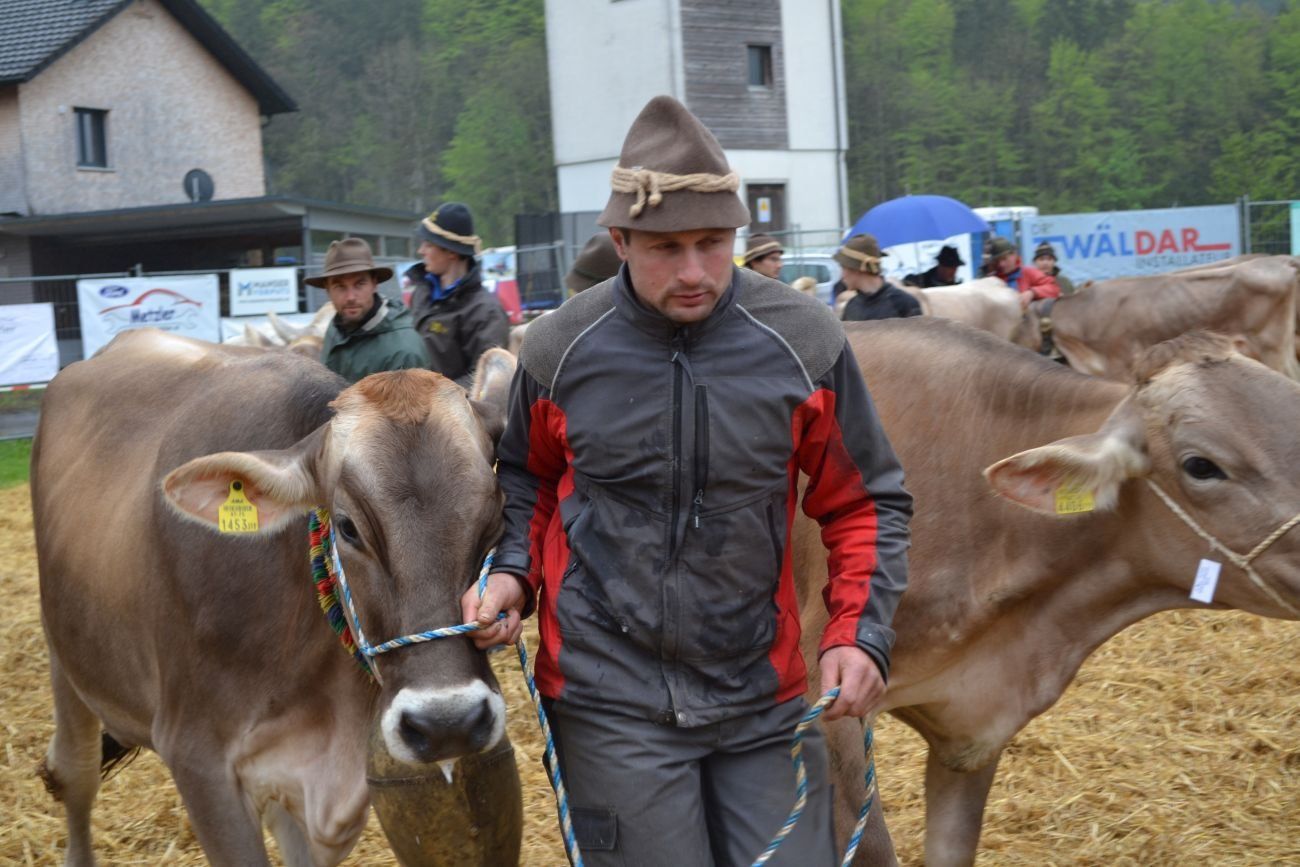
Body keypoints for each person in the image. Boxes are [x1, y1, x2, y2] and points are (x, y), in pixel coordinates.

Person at [462, 95, 912, 866]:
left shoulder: (804, 341)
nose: (696, 270)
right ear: (620, 240)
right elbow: (530, 479)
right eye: (667, 248)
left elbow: (865, 500)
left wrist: (860, 633)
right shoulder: (559, 349)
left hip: (762, 697)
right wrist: (511, 572)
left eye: (713, 242)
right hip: (607, 701)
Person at [405, 202, 509, 384]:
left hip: (448, 403)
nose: (421, 251)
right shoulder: (421, 293)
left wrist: (434, 398)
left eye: (428, 245)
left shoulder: (486, 312)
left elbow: (484, 380)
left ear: (451, 252)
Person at [310, 238, 430, 382]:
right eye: (340, 286)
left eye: (359, 284)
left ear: (374, 284)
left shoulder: (404, 352)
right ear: (328, 290)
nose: (350, 297)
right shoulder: (335, 327)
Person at [837, 234, 923, 321]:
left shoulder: (903, 304)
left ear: (856, 269)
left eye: (843, 268)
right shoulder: (851, 307)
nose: (842, 276)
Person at [987, 236, 1061, 308]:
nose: (1001, 264)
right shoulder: (992, 280)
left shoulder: (1029, 273)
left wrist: (1032, 292)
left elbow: (1053, 288)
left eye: (1004, 259)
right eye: (997, 261)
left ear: (1014, 255)